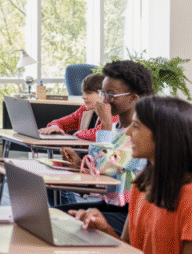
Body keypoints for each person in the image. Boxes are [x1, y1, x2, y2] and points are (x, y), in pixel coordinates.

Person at [18, 96, 192, 254]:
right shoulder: (144, 182)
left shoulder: (189, 199)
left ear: (164, 137)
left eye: (137, 127)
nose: (128, 132)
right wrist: (104, 229)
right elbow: (129, 253)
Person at [56, 60, 154, 234]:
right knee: (54, 214)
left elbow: (105, 167)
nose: (105, 99)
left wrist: (105, 125)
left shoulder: (141, 134)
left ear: (133, 98)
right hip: (111, 203)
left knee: (65, 224)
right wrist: (81, 165)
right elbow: (100, 168)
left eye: (111, 94)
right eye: (103, 92)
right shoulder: (115, 129)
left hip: (129, 212)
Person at [38, 72, 118, 141]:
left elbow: (98, 134)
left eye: (89, 93)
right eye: (83, 93)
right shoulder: (85, 110)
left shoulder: (115, 114)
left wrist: (77, 134)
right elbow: (62, 122)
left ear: (104, 94)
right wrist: (55, 126)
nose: (83, 97)